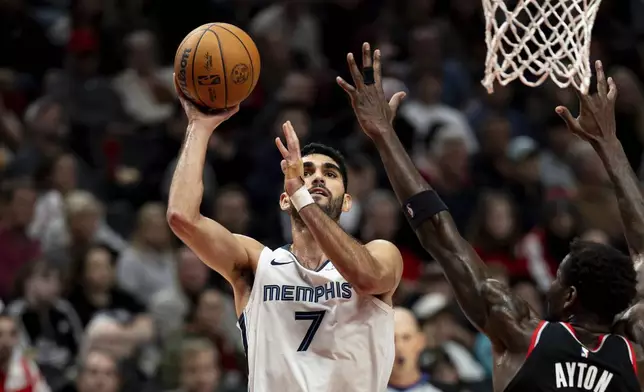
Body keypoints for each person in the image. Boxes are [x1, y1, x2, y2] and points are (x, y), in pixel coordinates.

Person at [337, 43, 641, 392]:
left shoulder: (520, 332)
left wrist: (384, 135)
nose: (551, 286)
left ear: (570, 295)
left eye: (557, 278)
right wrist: (611, 144)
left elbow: (441, 235)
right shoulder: (635, 355)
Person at [166, 78, 403, 390]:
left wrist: (303, 197)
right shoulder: (258, 264)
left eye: (329, 174)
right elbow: (182, 218)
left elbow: (367, 278)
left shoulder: (381, 252)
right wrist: (199, 126)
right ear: (283, 199)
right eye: (306, 173)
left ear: (347, 202)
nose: (316, 178)